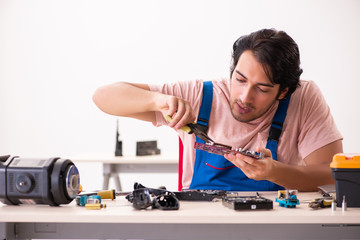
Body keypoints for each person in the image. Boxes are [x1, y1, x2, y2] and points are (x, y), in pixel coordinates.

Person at [92, 28, 343, 192]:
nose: (245, 97)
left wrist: (275, 172)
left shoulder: (304, 97)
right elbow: (103, 96)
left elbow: (330, 174)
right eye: (240, 79)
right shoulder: (201, 95)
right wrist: (158, 100)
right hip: (201, 225)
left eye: (263, 89)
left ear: (284, 91)